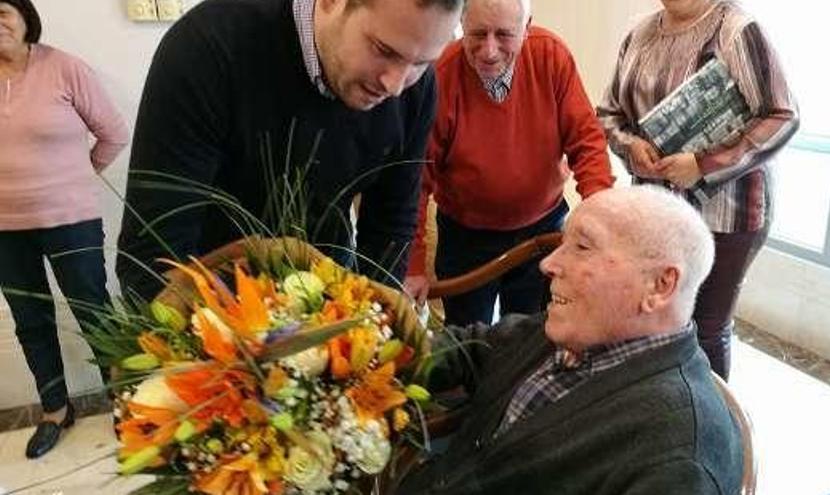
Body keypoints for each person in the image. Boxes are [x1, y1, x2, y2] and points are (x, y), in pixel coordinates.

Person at [398, 185, 743, 494]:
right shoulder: (580, 330)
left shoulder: (678, 456)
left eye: (581, 246)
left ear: (659, 285)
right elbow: (473, 349)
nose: (548, 263)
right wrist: (374, 350)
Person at [116, 0, 463, 300]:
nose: (396, 85)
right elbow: (153, 251)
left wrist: (369, 326)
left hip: (329, 294)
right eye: (384, 50)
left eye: (420, 63)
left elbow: (391, 224)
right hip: (211, 302)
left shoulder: (417, 90)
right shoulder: (207, 49)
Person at [597, 0, 798, 380]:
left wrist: (703, 165)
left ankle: (713, 429)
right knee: (659, 319)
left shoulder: (737, 29)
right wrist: (630, 147)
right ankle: (667, 413)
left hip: (730, 212)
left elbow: (783, 116)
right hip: (659, 209)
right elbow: (609, 113)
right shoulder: (638, 34)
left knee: (706, 328)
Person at [403, 0, 613, 326]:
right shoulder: (442, 75)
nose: (489, 50)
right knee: (468, 343)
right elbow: (416, 180)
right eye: (478, 34)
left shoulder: (551, 55)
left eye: (504, 35)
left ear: (526, 30)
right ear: (461, 26)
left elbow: (587, 141)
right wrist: (413, 265)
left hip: (544, 230)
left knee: (534, 337)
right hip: (467, 239)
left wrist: (601, 220)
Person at [0, 0, 128, 458]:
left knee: (94, 311)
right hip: (4, 229)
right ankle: (55, 409)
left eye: (2, 11)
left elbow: (113, 132)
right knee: (30, 321)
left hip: (71, 220)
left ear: (22, 16)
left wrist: (76, 179)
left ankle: (125, 402)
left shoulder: (64, 68)